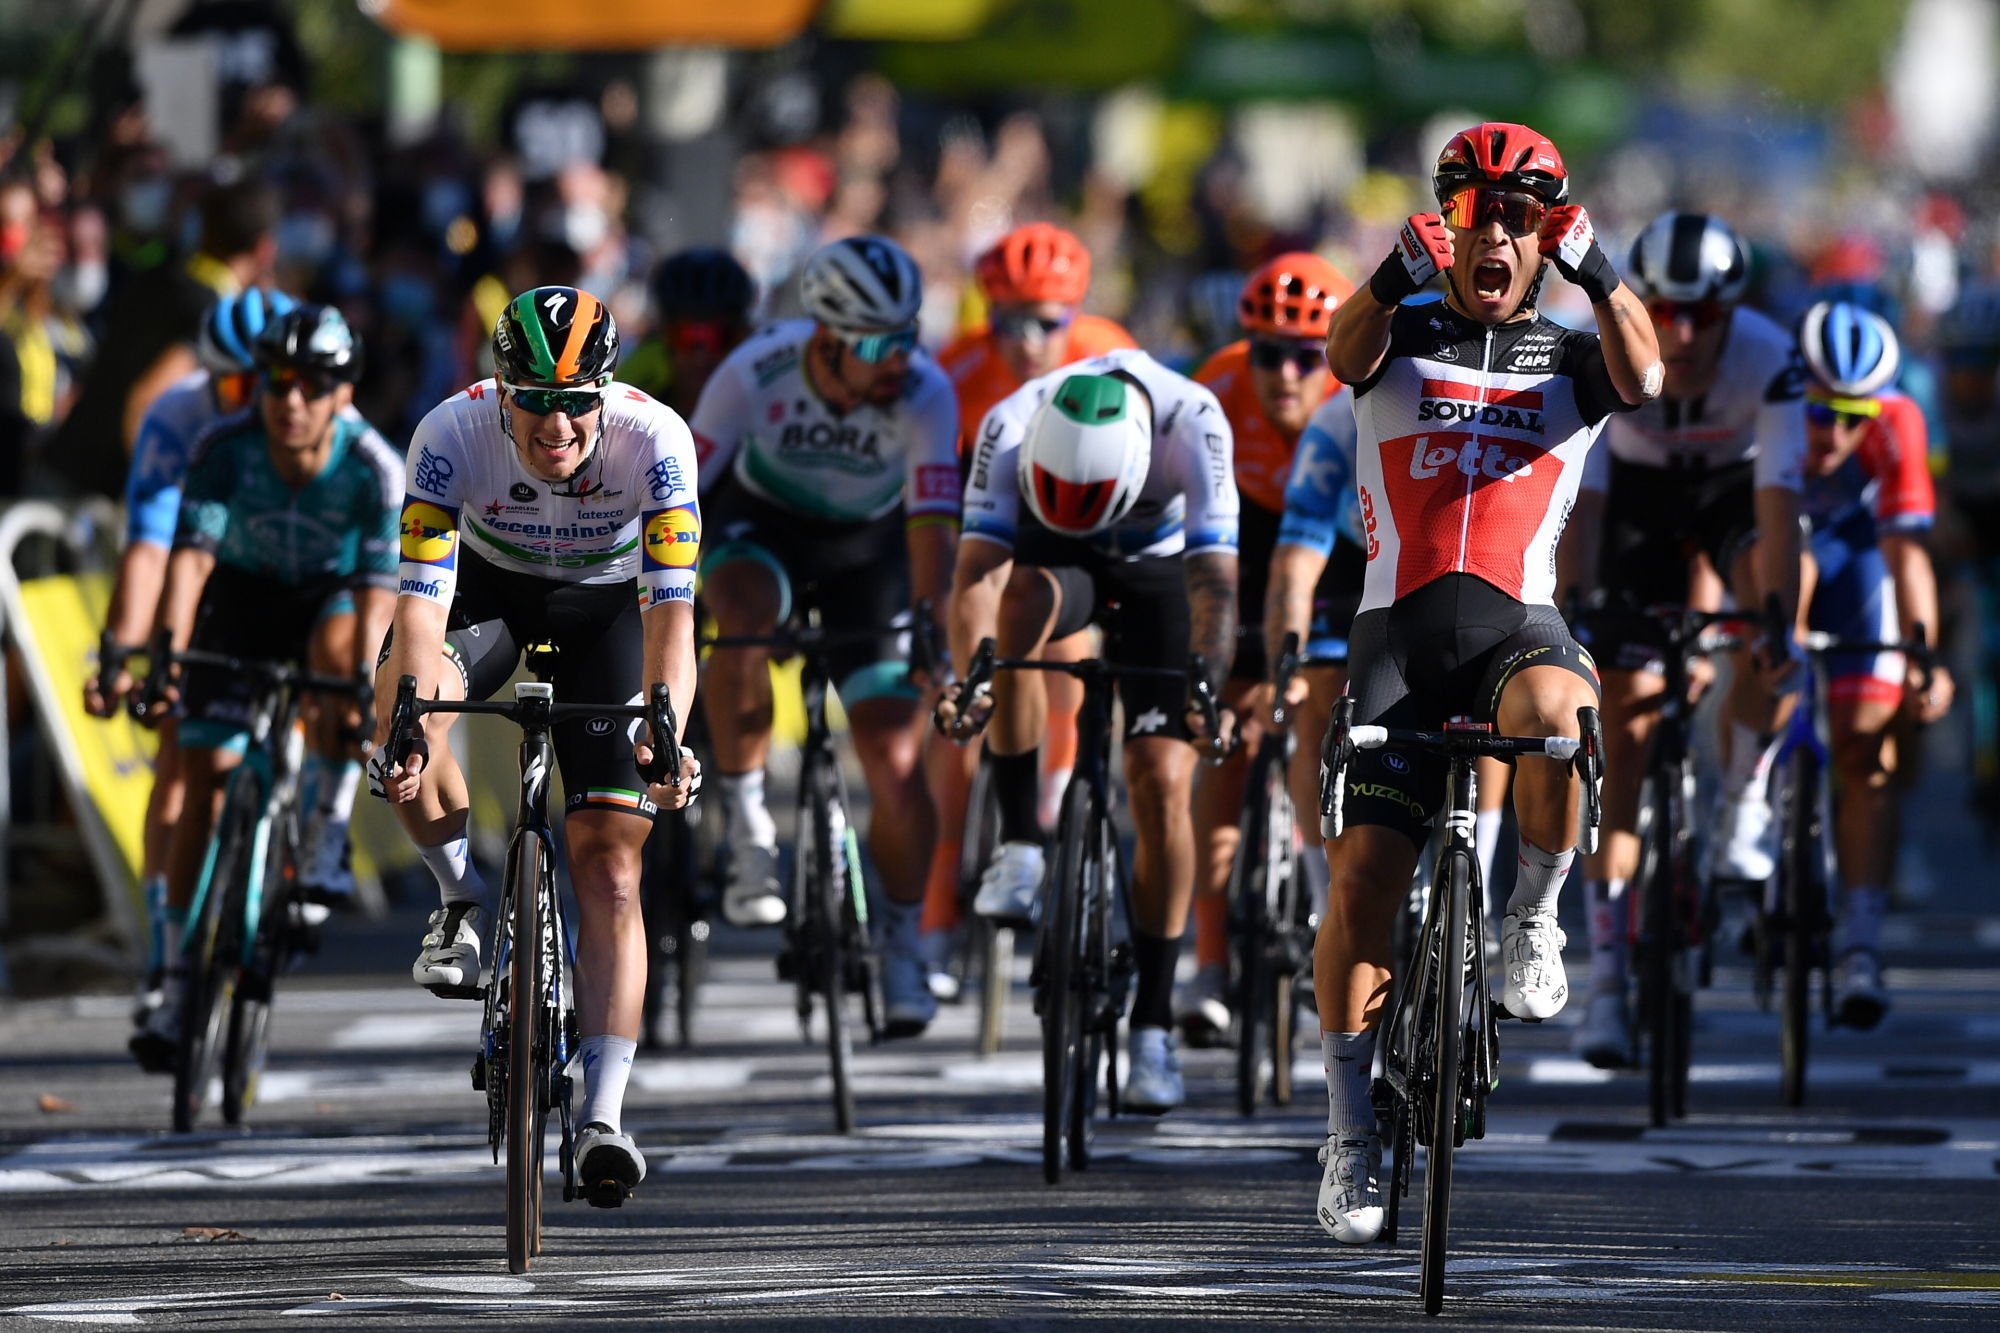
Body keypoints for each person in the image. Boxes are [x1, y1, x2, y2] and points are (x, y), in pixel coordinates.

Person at [1312, 122, 1660, 1243]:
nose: (1498, 233)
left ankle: (1529, 917)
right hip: (1396, 641)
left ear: (1543, 232)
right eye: (1478, 213)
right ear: (1448, 222)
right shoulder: (1398, 329)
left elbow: (1647, 374)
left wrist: (1597, 266)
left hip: (1518, 626)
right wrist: (1386, 270)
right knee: (1364, 876)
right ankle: (1348, 1133)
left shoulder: (1566, 352)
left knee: (1564, 718)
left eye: (1522, 216)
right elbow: (1336, 351)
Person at [374, 285, 702, 1202]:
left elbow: (673, 613)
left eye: (576, 402)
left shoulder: (658, 441)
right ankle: (458, 901)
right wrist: (413, 713)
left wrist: (664, 727)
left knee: (612, 867)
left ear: (604, 392)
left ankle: (604, 1115)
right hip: (489, 594)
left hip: (610, 610)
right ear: (501, 389)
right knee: (401, 706)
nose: (557, 425)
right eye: (536, 401)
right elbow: (422, 604)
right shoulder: (448, 434)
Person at [936, 350, 1240, 1114]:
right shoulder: (1008, 426)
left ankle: (1154, 1026)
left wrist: (1204, 684)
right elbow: (976, 574)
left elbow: (1214, 585)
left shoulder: (1193, 423)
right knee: (1016, 614)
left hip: (1159, 573)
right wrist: (968, 680)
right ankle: (1020, 843)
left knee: (1162, 782)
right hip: (1056, 558)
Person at [1555, 212, 1807, 1066]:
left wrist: (1775, 618)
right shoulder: (1609, 346)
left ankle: (1739, 801)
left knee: (1778, 616)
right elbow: (1581, 509)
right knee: (1620, 730)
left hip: (1731, 495)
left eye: (1709, 314)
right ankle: (1610, 983)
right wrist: (1576, 611)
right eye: (1669, 311)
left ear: (1738, 310)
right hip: (1634, 502)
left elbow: (1779, 503)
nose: (1688, 333)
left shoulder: (1771, 357)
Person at [688, 235, 956, 1039]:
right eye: (878, 344)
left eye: (907, 338)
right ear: (827, 339)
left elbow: (933, 525)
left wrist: (932, 626)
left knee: (897, 762)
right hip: (760, 527)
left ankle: (905, 941)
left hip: (865, 556)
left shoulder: (925, 394)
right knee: (739, 619)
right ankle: (749, 831)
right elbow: (682, 489)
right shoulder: (753, 372)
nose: (896, 361)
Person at [129, 305, 399, 1070]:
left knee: (343, 656)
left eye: (313, 385)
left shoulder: (374, 465)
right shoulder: (223, 449)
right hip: (243, 598)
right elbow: (189, 564)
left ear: (342, 394)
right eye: (278, 382)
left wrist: (358, 689)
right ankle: (179, 975)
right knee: (206, 780)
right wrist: (168, 654)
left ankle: (325, 833)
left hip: (332, 598)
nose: (291, 400)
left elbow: (380, 595)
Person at [925, 223, 1138, 996]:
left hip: (1087, 529)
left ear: (1073, 314)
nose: (1024, 339)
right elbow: (935, 494)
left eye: (1044, 321)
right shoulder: (957, 363)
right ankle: (937, 918)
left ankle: (1053, 788)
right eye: (1006, 319)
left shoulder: (1110, 349)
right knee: (955, 714)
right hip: (990, 522)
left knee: (1070, 638)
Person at [87, 288, 299, 1025]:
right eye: (235, 386)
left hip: (293, 570)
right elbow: (149, 548)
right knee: (177, 752)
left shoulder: (317, 414)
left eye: (268, 384)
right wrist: (123, 654)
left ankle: (298, 820)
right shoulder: (176, 418)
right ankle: (166, 954)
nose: (257, 403)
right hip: (201, 571)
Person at [1179, 252, 1352, 1046]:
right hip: (1241, 547)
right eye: (1266, 353)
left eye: (1305, 355)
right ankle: (1209, 959)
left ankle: (1333, 909)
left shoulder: (1363, 392)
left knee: (1328, 705)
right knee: (1224, 733)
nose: (1285, 372)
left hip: (1344, 553)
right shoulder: (1212, 394)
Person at [1792, 300, 1951, 1026]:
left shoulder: (1900, 422)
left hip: (1856, 548)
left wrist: (1923, 653)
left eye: (1854, 417)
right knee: (1769, 654)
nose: (1835, 433)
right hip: (1775, 526)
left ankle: (1860, 943)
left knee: (1866, 746)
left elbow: (1906, 556)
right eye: (1821, 413)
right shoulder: (1772, 397)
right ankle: (1742, 810)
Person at [48, 178, 278, 498]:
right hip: (105, 498)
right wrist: (155, 497)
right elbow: (146, 400)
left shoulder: (157, 276)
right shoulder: (216, 316)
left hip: (64, 466)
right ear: (265, 249)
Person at [620, 248, 758, 419]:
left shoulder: (767, 374)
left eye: (718, 337)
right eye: (684, 337)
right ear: (663, 335)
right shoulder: (638, 375)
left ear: (743, 336)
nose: (701, 356)